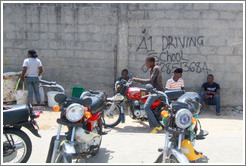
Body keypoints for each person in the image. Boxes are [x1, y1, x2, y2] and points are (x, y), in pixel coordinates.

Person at [132, 57, 164, 133]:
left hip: (157, 92)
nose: (146, 64)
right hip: (153, 91)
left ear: (152, 62)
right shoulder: (152, 69)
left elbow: (150, 81)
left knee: (146, 107)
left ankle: (157, 126)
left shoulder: (156, 68)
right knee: (146, 106)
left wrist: (137, 80)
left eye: (147, 63)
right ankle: (153, 126)